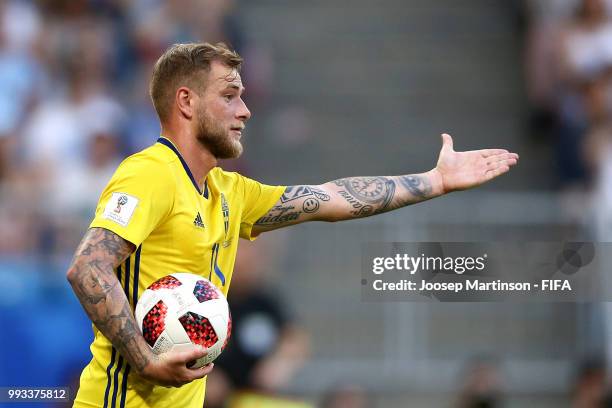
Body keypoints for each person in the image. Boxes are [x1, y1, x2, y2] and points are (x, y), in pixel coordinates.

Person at [66, 42, 519, 408]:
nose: (244, 110)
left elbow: (334, 197)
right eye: (228, 95)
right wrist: (145, 361)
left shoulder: (230, 192)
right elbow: (87, 267)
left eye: (242, 96)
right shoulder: (150, 173)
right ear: (185, 101)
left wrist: (435, 180)